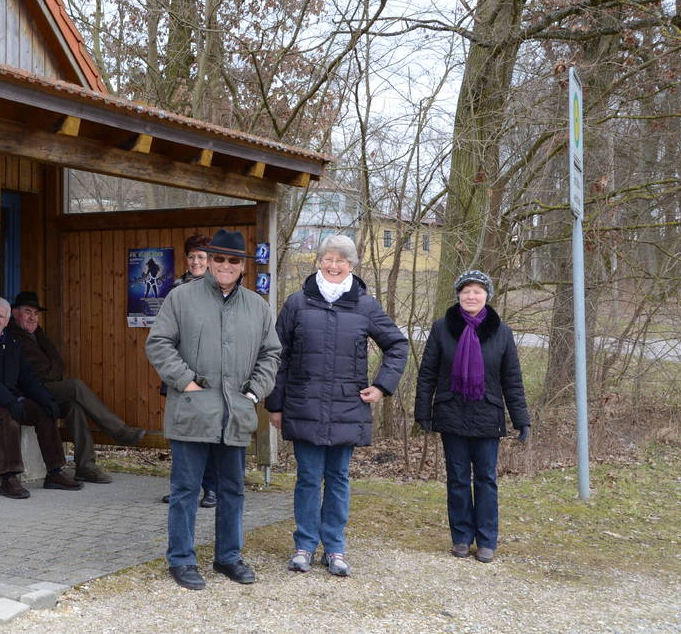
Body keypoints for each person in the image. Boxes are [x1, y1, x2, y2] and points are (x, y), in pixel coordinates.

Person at [146, 228, 281, 591]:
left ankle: (228, 557)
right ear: (208, 262)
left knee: (233, 490)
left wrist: (254, 392)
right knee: (186, 490)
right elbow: (159, 343)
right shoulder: (181, 298)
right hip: (191, 411)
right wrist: (186, 381)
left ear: (242, 267)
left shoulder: (257, 306)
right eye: (218, 258)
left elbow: (271, 353)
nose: (224, 265)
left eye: (233, 260)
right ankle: (182, 559)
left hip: (236, 415)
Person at [265, 235, 408, 577]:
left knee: (339, 478)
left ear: (352, 265)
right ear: (318, 262)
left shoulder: (366, 305)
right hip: (304, 405)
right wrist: (275, 405)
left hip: (347, 408)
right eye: (328, 259)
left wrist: (382, 386)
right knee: (308, 479)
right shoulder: (297, 303)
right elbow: (277, 356)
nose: (333, 265)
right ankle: (304, 545)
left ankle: (335, 547)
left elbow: (397, 346)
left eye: (341, 260)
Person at [414, 269, 530, 563]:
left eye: (477, 291)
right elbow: (427, 373)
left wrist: (521, 419)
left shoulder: (501, 331)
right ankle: (462, 538)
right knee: (457, 479)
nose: (471, 296)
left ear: (487, 296)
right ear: (458, 295)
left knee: (486, 479)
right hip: (451, 411)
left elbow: (512, 380)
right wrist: (422, 411)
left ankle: (487, 540)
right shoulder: (442, 328)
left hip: (487, 414)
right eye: (466, 291)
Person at [6, 290, 146, 485]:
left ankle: (85, 466)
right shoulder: (11, 336)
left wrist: (51, 373)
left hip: (48, 387)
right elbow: (29, 371)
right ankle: (118, 431)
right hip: (30, 392)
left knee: (74, 406)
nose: (33, 317)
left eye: (36, 313)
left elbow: (58, 362)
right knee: (76, 386)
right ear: (14, 313)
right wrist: (51, 373)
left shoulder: (38, 334)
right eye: (28, 312)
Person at [0, 297, 82, 498]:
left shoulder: (11, 341)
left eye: (0, 316)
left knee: (43, 411)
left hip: (5, 398)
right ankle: (9, 478)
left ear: (7, 321)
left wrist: (46, 399)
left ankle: (55, 472)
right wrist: (10, 401)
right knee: (7, 416)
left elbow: (27, 375)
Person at [160, 234, 218, 508]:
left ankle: (211, 488)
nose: (196, 261)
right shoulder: (175, 288)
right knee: (180, 435)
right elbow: (164, 334)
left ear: (210, 261)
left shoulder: (219, 288)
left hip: (209, 373)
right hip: (179, 372)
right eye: (192, 256)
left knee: (208, 434)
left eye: (201, 257)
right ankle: (183, 489)